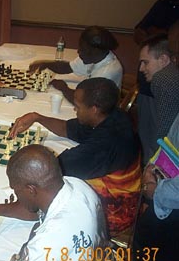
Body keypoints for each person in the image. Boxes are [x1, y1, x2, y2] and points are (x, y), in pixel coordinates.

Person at [9, 77, 140, 236]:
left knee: (38, 196)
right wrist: (37, 117)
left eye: (77, 106)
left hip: (112, 213)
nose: (74, 110)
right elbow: (67, 129)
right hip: (126, 196)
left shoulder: (101, 147)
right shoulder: (111, 116)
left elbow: (46, 177)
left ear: (94, 109)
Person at [0, 145, 107, 260]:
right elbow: (35, 212)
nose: (16, 194)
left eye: (16, 190)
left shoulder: (45, 245)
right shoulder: (76, 185)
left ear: (31, 190)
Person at [133, 20, 179, 261]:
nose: (141, 68)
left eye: (145, 62)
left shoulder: (166, 80)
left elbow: (163, 139)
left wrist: (153, 191)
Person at [29, 26, 122, 104]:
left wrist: (63, 88)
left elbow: (84, 103)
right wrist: (46, 64)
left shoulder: (107, 73)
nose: (78, 52)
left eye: (83, 49)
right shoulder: (96, 57)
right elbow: (68, 67)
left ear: (96, 51)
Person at [137, 34, 179, 164]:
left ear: (163, 59)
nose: (141, 68)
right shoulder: (172, 73)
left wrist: (153, 165)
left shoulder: (163, 79)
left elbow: (164, 131)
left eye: (146, 62)